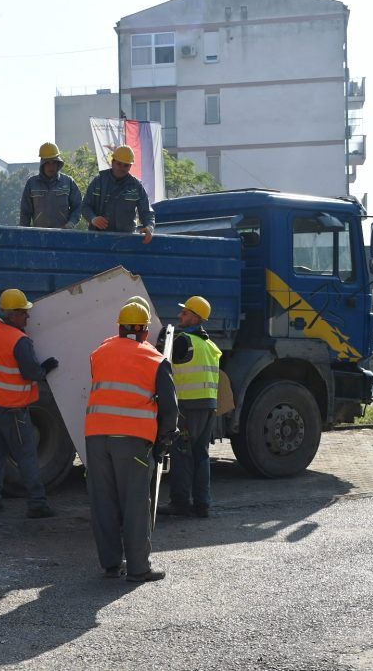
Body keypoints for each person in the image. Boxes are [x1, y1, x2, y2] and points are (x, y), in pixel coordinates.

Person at [85, 302, 178, 582]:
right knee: (135, 503)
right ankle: (138, 568)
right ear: (146, 331)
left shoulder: (99, 352)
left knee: (104, 501)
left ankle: (111, 565)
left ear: (119, 326)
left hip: (96, 436)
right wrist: (165, 440)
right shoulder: (155, 359)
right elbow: (170, 408)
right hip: (133, 440)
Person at [0, 289, 59, 518]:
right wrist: (47, 367)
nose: (28, 317)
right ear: (13, 315)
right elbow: (32, 373)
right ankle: (37, 504)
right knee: (26, 456)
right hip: (12, 408)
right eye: (24, 313)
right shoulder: (20, 341)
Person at [157, 296, 222, 519]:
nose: (179, 316)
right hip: (208, 407)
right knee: (201, 455)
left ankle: (180, 503)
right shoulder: (210, 345)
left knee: (181, 455)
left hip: (187, 407)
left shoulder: (183, 340)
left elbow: (161, 365)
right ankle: (202, 504)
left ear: (194, 317)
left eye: (184, 313)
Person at [81, 145, 155, 244]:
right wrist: (93, 219)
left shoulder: (136, 186)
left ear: (130, 166)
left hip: (126, 240)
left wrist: (149, 227)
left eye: (126, 165)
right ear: (112, 162)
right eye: (119, 164)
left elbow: (146, 212)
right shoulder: (98, 182)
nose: (122, 168)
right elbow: (85, 206)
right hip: (98, 239)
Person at [19, 142, 83, 229]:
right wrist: (24, 234)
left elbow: (78, 206)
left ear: (58, 164)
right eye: (47, 163)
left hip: (64, 236)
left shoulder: (68, 182)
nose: (51, 166)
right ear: (42, 164)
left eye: (54, 163)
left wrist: (71, 223)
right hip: (39, 236)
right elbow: (25, 212)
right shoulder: (32, 183)